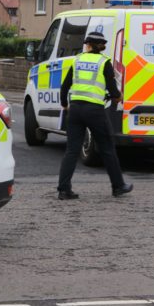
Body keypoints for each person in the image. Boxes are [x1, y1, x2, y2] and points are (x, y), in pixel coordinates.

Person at [57, 31, 133, 200]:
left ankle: (63, 189)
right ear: (100, 46)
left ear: (88, 45)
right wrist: (118, 97)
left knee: (71, 150)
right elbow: (113, 91)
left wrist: (65, 105)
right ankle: (118, 186)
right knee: (107, 148)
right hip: (95, 111)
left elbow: (65, 86)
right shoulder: (104, 62)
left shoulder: (77, 60)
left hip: (75, 109)